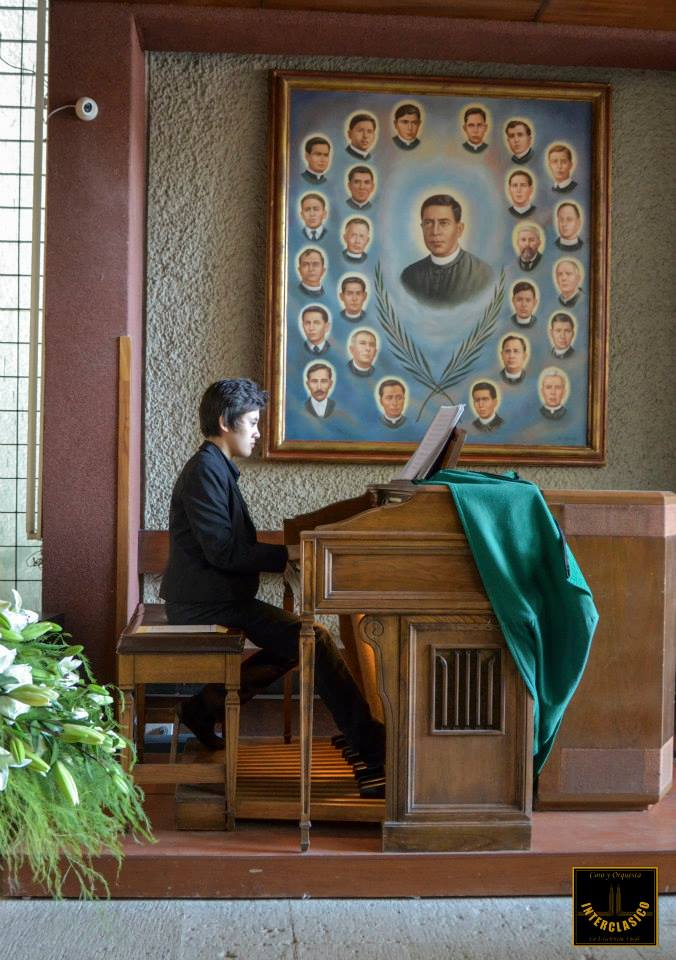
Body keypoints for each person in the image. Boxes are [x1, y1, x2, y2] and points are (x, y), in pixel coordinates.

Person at [160, 379, 385, 794]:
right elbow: (224, 553)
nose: (258, 432)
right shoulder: (204, 471)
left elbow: (229, 549)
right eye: (252, 422)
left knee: (299, 642)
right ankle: (375, 752)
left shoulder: (214, 468)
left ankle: (201, 708)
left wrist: (287, 555)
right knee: (311, 639)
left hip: (218, 600)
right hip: (203, 606)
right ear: (226, 423)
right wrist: (289, 555)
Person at [400, 194, 493, 308]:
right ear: (422, 227)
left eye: (443, 223)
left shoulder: (482, 274)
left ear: (459, 229)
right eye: (428, 223)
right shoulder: (409, 276)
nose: (435, 232)